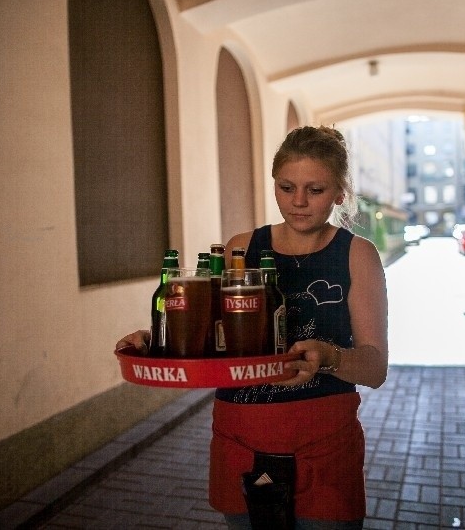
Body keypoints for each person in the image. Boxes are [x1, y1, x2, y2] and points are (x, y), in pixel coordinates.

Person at [117, 125, 388, 530]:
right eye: (286, 187)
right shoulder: (240, 248)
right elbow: (209, 334)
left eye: (314, 190)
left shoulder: (357, 255)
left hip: (325, 442)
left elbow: (375, 368)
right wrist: (157, 341)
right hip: (239, 438)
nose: (298, 202)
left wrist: (329, 357)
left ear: (339, 193)